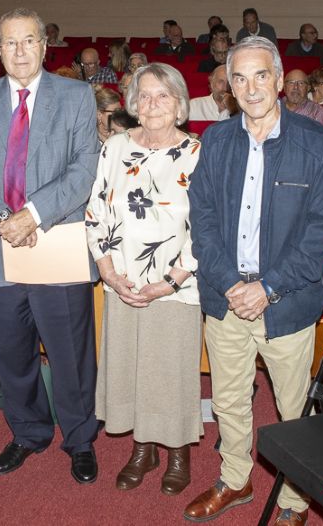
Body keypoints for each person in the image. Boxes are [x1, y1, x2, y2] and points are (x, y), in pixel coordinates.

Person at [185, 37, 323, 525]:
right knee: (229, 398)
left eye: (260, 75)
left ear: (278, 79)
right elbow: (202, 220)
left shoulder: (316, 144)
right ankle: (236, 479)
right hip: (226, 296)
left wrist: (266, 288)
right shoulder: (216, 140)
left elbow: (318, 236)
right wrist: (232, 284)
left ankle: (296, 500)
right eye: (239, 78)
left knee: (294, 407)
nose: (251, 87)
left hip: (286, 300)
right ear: (228, 86)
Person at [0, 7, 102, 484]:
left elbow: (84, 168)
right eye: (10, 43)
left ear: (44, 45)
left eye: (29, 40)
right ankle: (29, 432)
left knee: (70, 353)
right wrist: (3, 220)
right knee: (12, 354)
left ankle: (79, 439)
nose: (20, 51)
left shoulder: (76, 96)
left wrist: (32, 215)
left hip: (56, 241)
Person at [87, 63, 202, 495]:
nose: (153, 104)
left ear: (179, 104)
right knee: (131, 365)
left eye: (163, 95)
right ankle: (143, 446)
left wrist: (173, 280)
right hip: (123, 280)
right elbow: (96, 208)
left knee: (169, 369)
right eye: (145, 95)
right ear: (133, 103)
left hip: (176, 283)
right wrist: (108, 270)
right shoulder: (115, 146)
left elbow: (206, 225)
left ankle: (177, 451)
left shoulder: (196, 152)